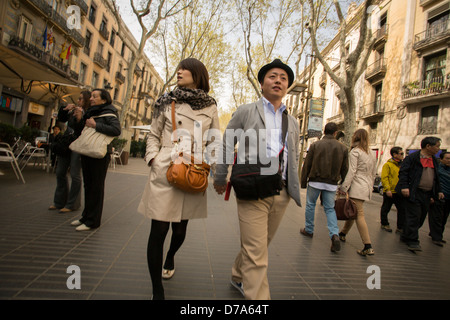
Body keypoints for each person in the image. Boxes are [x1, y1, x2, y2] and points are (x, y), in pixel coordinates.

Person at [213, 59, 301, 300]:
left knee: (260, 246)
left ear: (287, 87)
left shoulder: (292, 121)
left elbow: (293, 157)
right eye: (273, 76)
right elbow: (227, 143)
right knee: (257, 253)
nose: (278, 81)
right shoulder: (245, 111)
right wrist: (221, 176)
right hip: (252, 188)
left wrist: (294, 189)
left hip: (280, 192)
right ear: (262, 83)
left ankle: (238, 275)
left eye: (284, 78)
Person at [137, 58, 220, 300]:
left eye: (185, 69)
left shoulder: (211, 106)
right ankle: (157, 291)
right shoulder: (165, 100)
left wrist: (218, 173)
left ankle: (171, 255)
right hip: (166, 169)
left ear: (198, 74)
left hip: (193, 171)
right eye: (179, 68)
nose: (179, 71)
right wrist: (153, 159)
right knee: (158, 228)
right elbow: (152, 135)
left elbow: (215, 142)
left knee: (180, 229)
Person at [70, 89, 121, 231]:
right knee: (88, 185)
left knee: (96, 187)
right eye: (91, 96)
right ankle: (85, 217)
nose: (91, 98)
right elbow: (79, 130)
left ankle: (93, 221)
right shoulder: (91, 111)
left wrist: (96, 125)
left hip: (100, 154)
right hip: (87, 151)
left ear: (104, 100)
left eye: (94, 96)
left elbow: (116, 130)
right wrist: (80, 119)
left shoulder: (109, 111)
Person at [300, 122, 349, 253]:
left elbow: (307, 165)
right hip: (332, 183)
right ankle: (334, 234)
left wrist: (303, 182)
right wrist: (343, 183)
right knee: (330, 209)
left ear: (324, 131)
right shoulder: (343, 148)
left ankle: (309, 230)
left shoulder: (315, 145)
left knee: (310, 205)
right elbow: (345, 168)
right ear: (335, 133)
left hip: (315, 181)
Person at [395, 137, 444, 252]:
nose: (438, 149)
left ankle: (406, 235)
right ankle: (413, 241)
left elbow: (437, 178)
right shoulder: (412, 158)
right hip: (414, 192)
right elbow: (403, 173)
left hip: (427, 194)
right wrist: (405, 187)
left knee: (421, 217)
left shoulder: (435, 161)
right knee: (414, 216)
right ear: (428, 146)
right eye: (437, 146)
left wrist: (438, 191)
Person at [49, 91, 91, 213]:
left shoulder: (88, 113)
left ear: (86, 101)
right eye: (78, 99)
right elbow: (61, 119)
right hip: (66, 145)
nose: (78, 101)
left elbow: (83, 131)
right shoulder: (73, 112)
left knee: (75, 174)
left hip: (78, 145)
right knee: (60, 172)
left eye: (81, 99)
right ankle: (59, 202)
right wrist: (64, 109)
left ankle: (72, 204)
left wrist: (80, 119)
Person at [338, 129, 377, 256]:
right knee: (354, 210)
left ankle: (367, 245)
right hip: (366, 187)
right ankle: (343, 233)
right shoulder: (371, 153)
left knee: (359, 214)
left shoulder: (355, 152)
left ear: (355, 138)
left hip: (357, 186)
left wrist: (344, 187)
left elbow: (351, 172)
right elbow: (373, 173)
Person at [379, 146, 406, 233]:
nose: (402, 155)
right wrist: (387, 189)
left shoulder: (402, 165)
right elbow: (384, 177)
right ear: (394, 154)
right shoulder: (388, 165)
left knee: (402, 210)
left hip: (399, 191)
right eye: (401, 153)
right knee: (386, 208)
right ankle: (384, 223)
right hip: (390, 191)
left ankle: (400, 227)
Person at [430, 151, 450, 245]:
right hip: (439, 196)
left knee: (444, 217)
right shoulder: (437, 170)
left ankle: (437, 234)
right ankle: (436, 237)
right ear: (441, 159)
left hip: (448, 197)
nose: (449, 160)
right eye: (447, 158)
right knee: (437, 217)